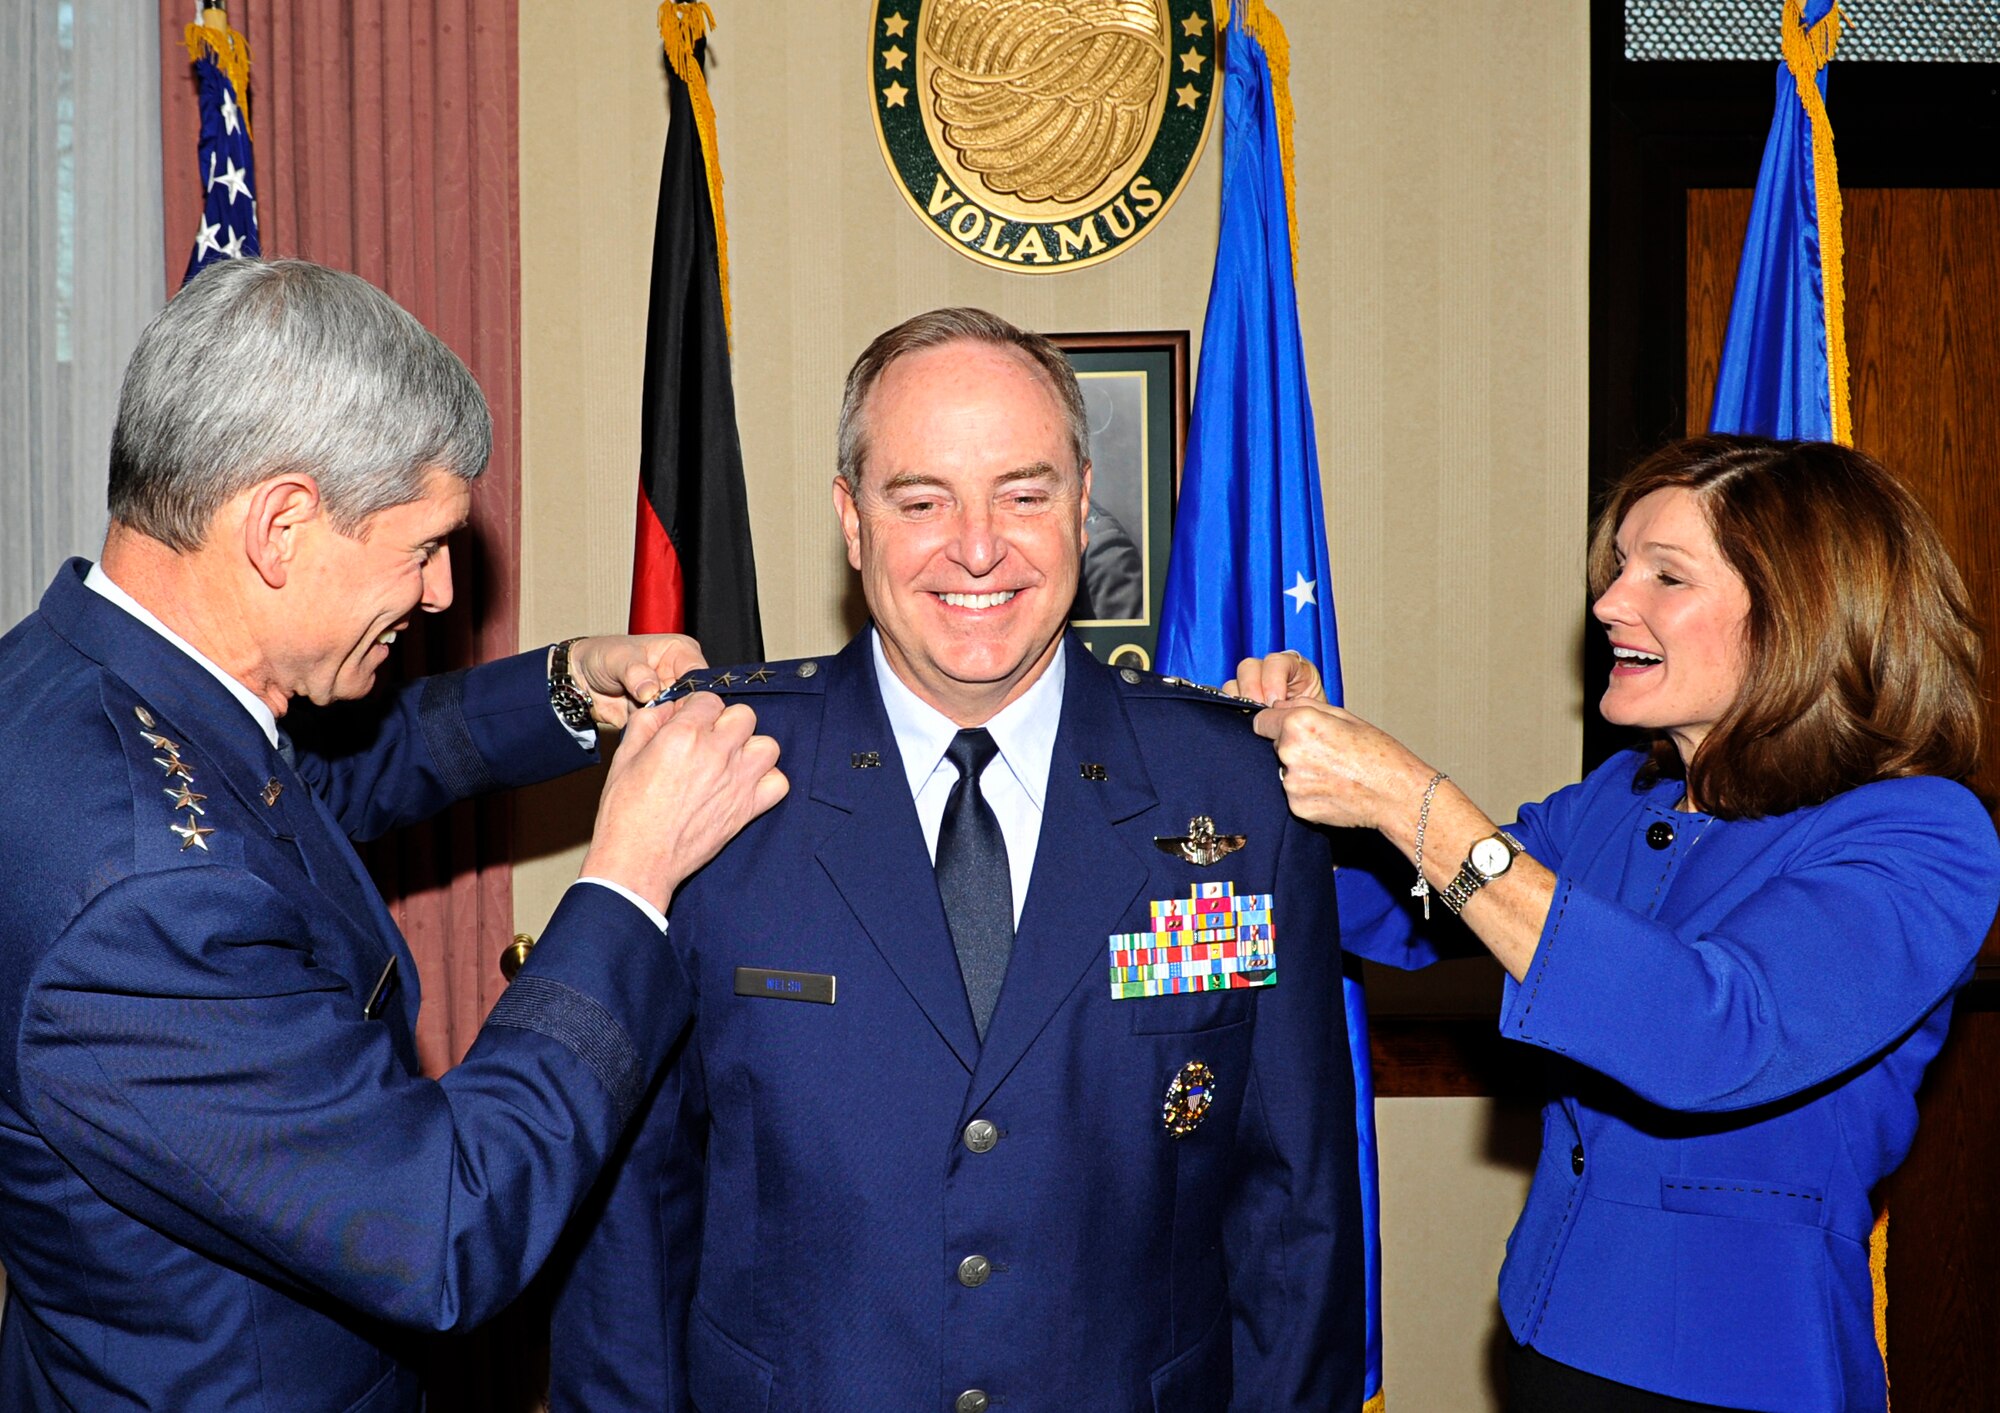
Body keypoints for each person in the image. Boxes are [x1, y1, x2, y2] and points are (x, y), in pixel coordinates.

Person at [0, 258, 787, 1411]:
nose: (439, 592)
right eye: (422, 547)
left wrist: (568, 688)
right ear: (281, 525)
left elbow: (302, 789)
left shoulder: (85, 680)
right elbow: (449, 1227)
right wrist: (629, 879)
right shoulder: (142, 904)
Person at [547, 308, 1363, 1412]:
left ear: (1083, 502)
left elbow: (1293, 1213)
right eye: (920, 499)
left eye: (1023, 494)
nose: (975, 547)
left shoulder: (1231, 791)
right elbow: (630, 1211)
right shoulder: (709, 775)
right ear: (849, 520)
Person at [1246, 436, 2000, 1413]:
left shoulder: (1917, 833)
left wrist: (1412, 804)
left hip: (1737, 1373)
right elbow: (1408, 911)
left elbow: (1707, 1035)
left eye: (1664, 574)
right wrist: (1258, 774)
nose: (1607, 600)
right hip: (1550, 1334)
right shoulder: (1620, 798)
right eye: (1618, 566)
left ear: (1799, 615)